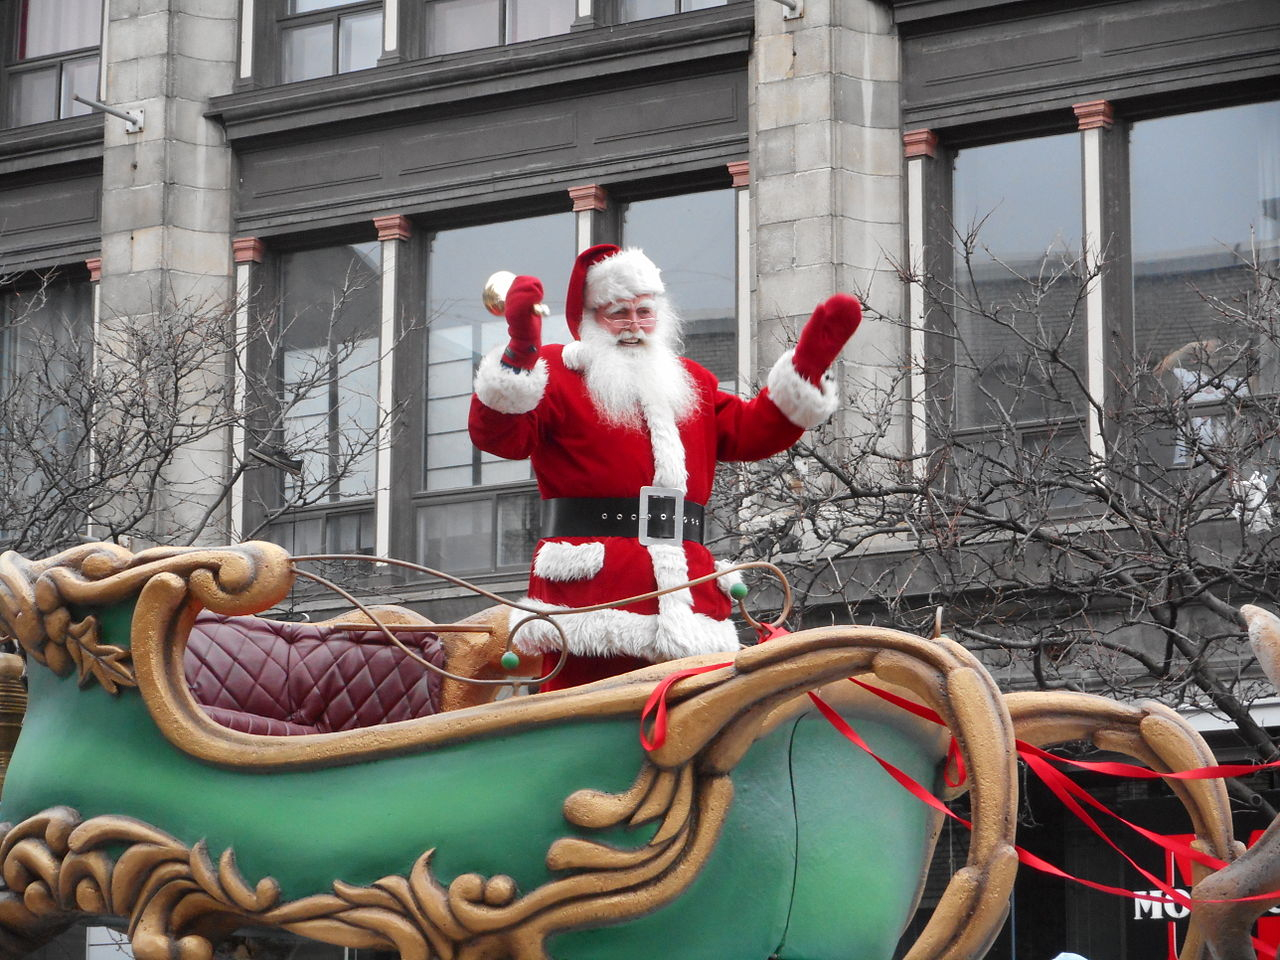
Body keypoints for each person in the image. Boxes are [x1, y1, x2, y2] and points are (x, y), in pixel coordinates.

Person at [468, 244, 861, 690]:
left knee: (701, 717)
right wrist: (520, 353)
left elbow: (753, 432)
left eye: (644, 312)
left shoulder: (689, 380)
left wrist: (807, 367)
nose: (634, 325)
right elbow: (499, 437)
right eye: (618, 313)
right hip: (594, 591)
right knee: (589, 717)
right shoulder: (558, 372)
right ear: (590, 318)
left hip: (686, 586)